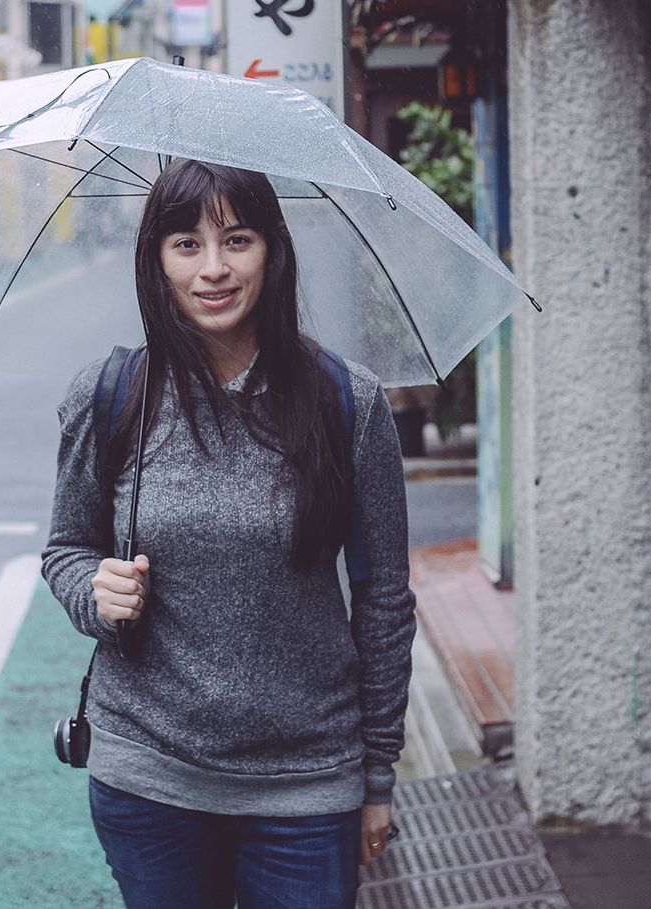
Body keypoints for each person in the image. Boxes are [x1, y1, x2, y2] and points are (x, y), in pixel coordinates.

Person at [42, 158, 416, 909]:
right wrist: (95, 590)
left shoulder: (350, 402)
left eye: (236, 240)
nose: (212, 268)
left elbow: (384, 602)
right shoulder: (112, 394)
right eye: (186, 244)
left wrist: (376, 777)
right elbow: (66, 548)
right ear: (156, 261)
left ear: (272, 250)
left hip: (307, 787)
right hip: (149, 777)